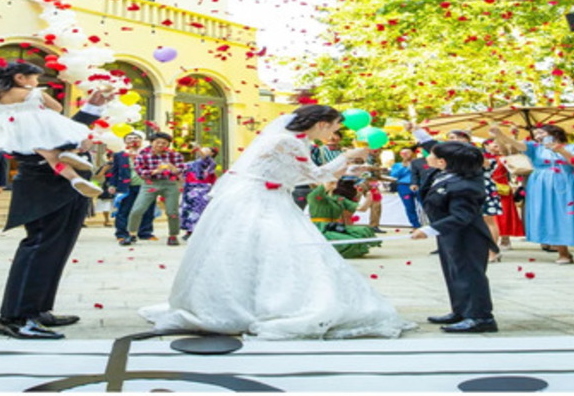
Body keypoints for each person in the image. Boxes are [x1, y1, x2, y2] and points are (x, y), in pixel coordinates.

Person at [139, 105, 415, 339]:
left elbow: (298, 176)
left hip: (269, 197)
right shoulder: (288, 141)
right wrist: (346, 156)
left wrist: (350, 168)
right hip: (257, 200)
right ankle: (257, 305)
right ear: (320, 124)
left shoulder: (295, 141)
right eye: (331, 128)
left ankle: (255, 301)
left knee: (266, 252)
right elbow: (315, 176)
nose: (333, 134)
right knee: (269, 249)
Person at [0, 66, 114, 341]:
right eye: (34, 80)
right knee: (40, 246)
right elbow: (47, 146)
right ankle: (15, 318)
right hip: (43, 185)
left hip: (68, 186)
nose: (40, 87)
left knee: (57, 248)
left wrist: (91, 109)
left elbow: (64, 133)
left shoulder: (39, 112)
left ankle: (38, 309)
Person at [0, 62, 101, 197]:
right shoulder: (33, 93)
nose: (36, 82)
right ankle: (72, 153)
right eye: (35, 78)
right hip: (40, 125)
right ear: (20, 78)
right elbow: (57, 107)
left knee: (51, 157)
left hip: (16, 132)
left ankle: (74, 178)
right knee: (76, 134)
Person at [412, 140, 499, 333]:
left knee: (470, 274)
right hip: (450, 233)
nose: (428, 156)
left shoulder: (466, 185)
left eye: (432, 154)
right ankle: (461, 310)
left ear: (443, 162)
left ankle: (481, 316)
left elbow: (462, 216)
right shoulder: (447, 173)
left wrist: (428, 230)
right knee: (454, 272)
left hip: (467, 235)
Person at [489, 123, 574, 265]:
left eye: (541, 133)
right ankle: (563, 253)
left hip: (569, 183)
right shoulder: (535, 148)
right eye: (536, 134)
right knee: (551, 216)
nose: (537, 136)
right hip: (541, 186)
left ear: (555, 133)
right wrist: (500, 134)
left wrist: (561, 151)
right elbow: (516, 145)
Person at [124, 132, 185, 245]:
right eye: (158, 142)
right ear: (152, 142)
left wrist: (173, 168)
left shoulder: (175, 155)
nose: (161, 145)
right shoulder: (142, 155)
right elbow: (140, 172)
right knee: (137, 209)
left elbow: (181, 170)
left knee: (172, 211)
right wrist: (155, 171)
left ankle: (173, 235)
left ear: (168, 144)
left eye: (164, 143)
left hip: (170, 184)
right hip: (150, 183)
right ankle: (131, 234)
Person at [307, 178, 382, 258]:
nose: (334, 183)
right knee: (350, 241)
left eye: (335, 182)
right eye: (331, 182)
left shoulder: (339, 198)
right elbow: (326, 184)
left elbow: (362, 208)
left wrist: (369, 197)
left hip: (336, 226)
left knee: (364, 231)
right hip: (321, 228)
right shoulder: (314, 196)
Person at [111, 132, 156, 244]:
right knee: (124, 210)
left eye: (135, 138)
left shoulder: (149, 154)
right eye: (129, 138)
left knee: (147, 209)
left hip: (146, 186)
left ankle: (145, 233)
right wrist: (112, 185)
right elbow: (114, 171)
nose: (132, 140)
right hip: (127, 187)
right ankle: (121, 233)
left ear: (141, 141)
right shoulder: (119, 155)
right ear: (125, 142)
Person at [485, 139, 525, 249]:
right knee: (491, 215)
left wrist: (511, 137)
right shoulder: (484, 158)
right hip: (489, 186)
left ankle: (505, 239)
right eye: (493, 144)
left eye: (498, 145)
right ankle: (493, 239)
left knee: (505, 213)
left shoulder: (504, 158)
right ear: (487, 147)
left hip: (502, 186)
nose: (496, 147)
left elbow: (510, 152)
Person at [294, 130, 342, 208]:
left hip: (340, 186)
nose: (331, 138)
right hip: (322, 186)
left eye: (335, 135)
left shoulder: (343, 152)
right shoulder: (316, 150)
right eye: (329, 135)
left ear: (340, 138)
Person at [179, 146, 218, 239]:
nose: (203, 151)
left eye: (206, 149)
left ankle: (197, 231)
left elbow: (205, 158)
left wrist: (199, 149)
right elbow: (180, 171)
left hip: (202, 189)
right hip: (189, 188)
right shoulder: (191, 163)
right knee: (187, 208)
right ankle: (189, 231)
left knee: (198, 209)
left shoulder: (210, 162)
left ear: (212, 154)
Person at [390, 150, 420, 227]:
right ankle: (415, 225)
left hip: (418, 185)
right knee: (409, 207)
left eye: (408, 153)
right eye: (403, 153)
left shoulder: (418, 163)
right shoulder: (397, 165)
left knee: (425, 204)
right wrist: (403, 166)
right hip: (404, 187)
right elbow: (394, 175)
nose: (406, 155)